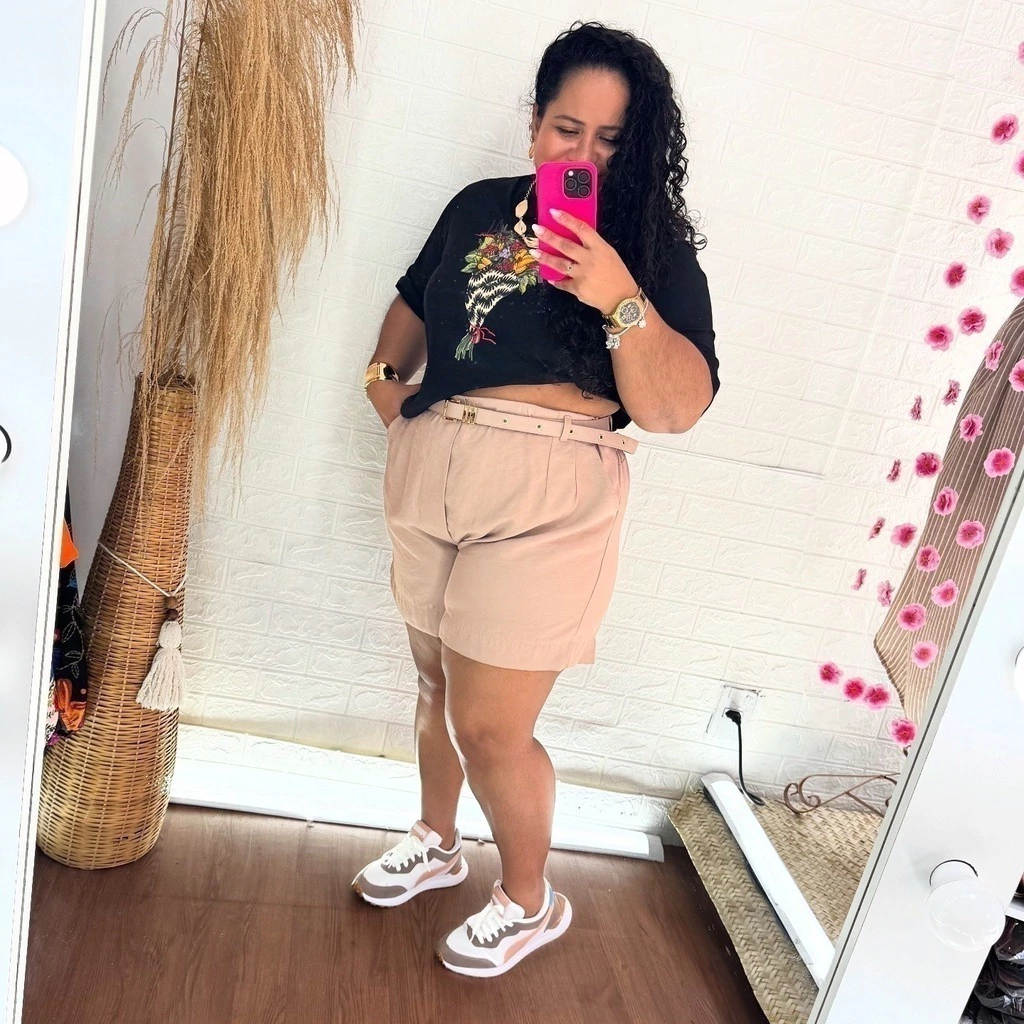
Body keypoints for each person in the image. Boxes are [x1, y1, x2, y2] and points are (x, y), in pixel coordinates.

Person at [353, 21, 720, 978]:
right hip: (433, 460)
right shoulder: (478, 205)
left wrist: (619, 293)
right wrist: (384, 380)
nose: (584, 154)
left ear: (637, 149)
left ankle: (529, 899)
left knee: (492, 725)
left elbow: (675, 408)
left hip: (551, 489)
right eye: (567, 128)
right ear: (534, 124)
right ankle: (438, 840)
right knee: (435, 685)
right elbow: (414, 296)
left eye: (611, 140)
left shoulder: (652, 249)